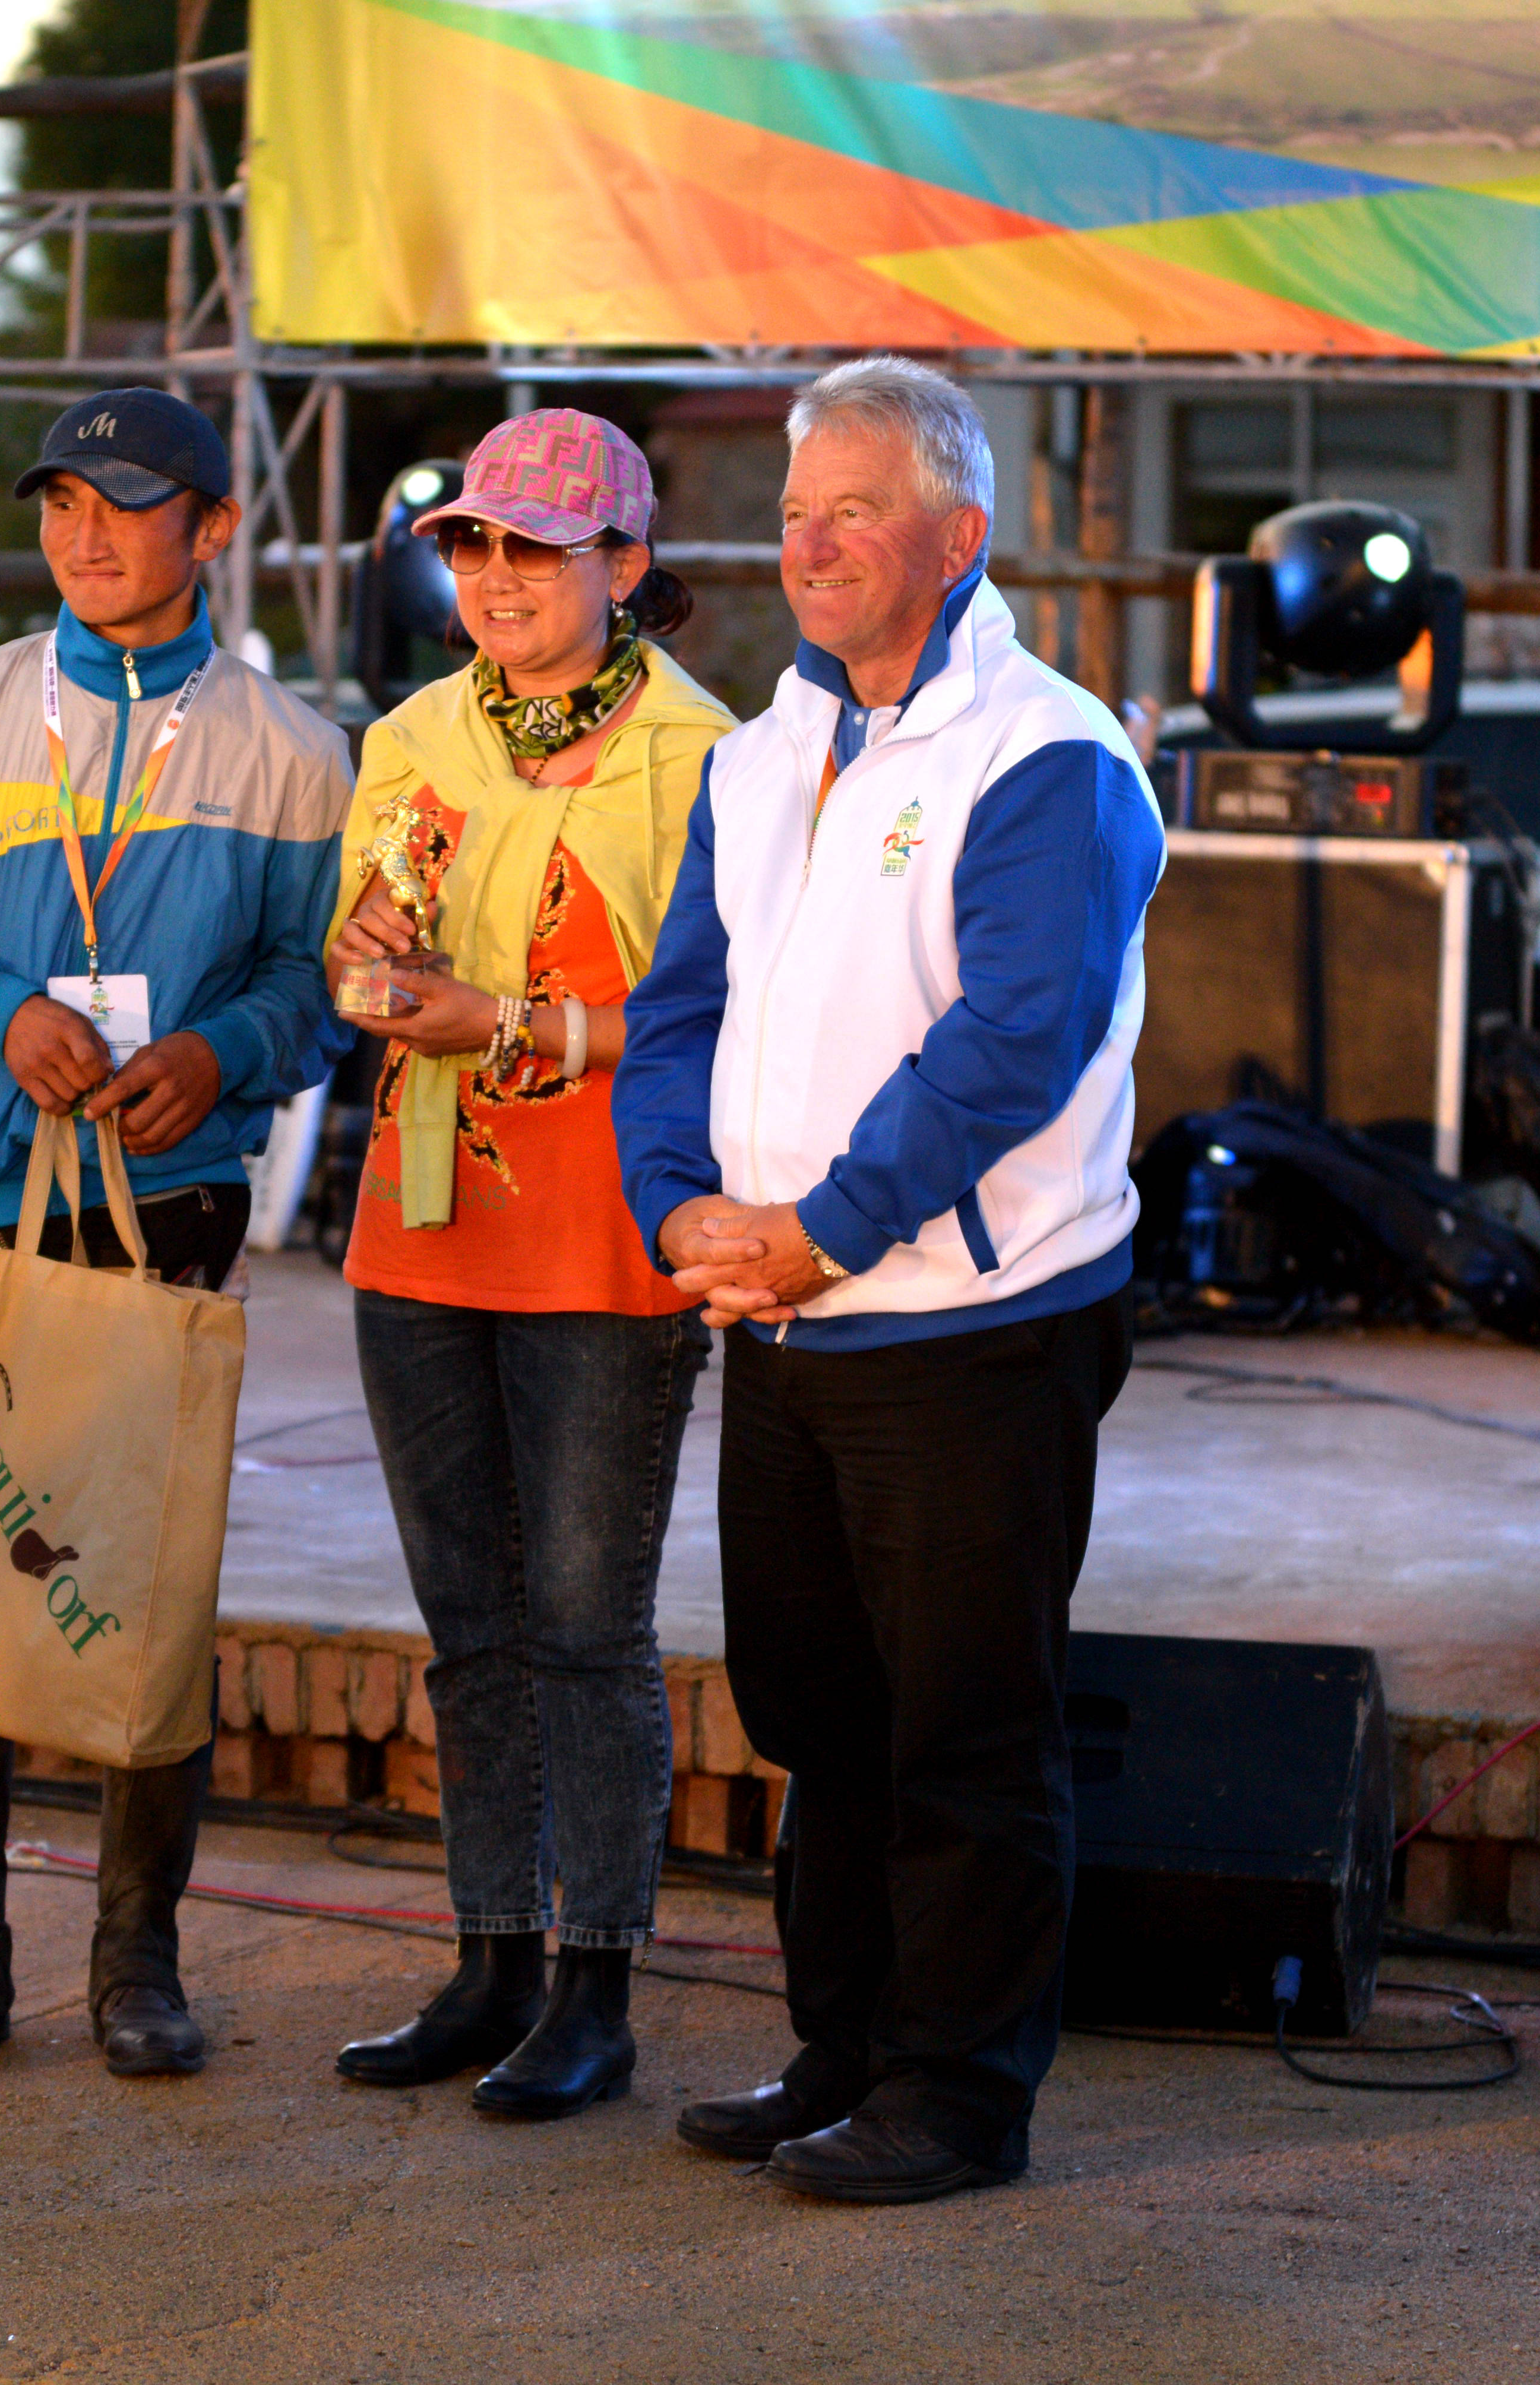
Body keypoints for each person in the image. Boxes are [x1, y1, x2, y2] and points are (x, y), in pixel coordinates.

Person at [615, 356, 1165, 2204]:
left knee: (961, 1730)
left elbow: (1014, 1039)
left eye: (855, 510)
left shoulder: (1049, 754)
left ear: (957, 536)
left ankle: (958, 2095)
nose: (813, 544)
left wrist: (827, 1224)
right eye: (791, 514)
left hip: (970, 1329)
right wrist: (677, 1204)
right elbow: (677, 1006)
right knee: (818, 1722)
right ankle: (840, 2054)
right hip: (772, 1319)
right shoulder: (758, 755)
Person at [0, 385, 350, 2084]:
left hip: (170, 1210)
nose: (85, 535)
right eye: (60, 505)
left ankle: (139, 1962)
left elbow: (319, 989)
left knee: (148, 1582)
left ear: (211, 526)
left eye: (123, 504)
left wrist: (224, 1053)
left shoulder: (294, 748)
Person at [320, 411, 737, 2120]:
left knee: (585, 1627)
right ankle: (490, 1960)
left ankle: (598, 1991)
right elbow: (363, 951)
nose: (494, 577)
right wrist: (367, 955)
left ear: (624, 570)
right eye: (473, 546)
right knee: (469, 1626)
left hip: (606, 1236)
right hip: (422, 1228)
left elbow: (727, 1028)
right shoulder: (413, 735)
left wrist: (508, 1020)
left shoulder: (714, 758)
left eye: (536, 550)